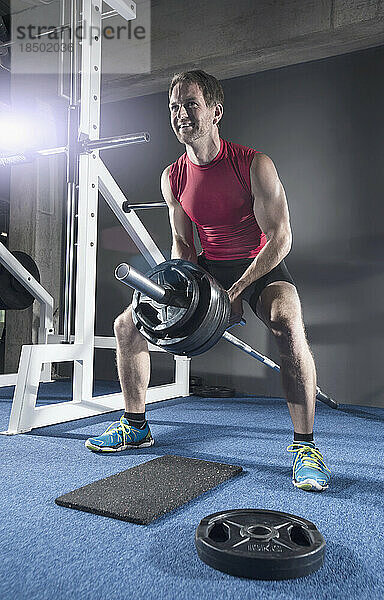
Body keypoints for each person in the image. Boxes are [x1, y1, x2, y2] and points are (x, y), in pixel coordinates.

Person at [85, 70, 331, 492]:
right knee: (127, 325)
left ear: (215, 112)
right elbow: (182, 240)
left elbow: (281, 238)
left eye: (190, 105)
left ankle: (306, 446)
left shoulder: (254, 164)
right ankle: (135, 424)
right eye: (174, 108)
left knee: (288, 321)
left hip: (261, 265)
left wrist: (232, 295)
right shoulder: (172, 177)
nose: (181, 114)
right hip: (208, 268)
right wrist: (189, 291)